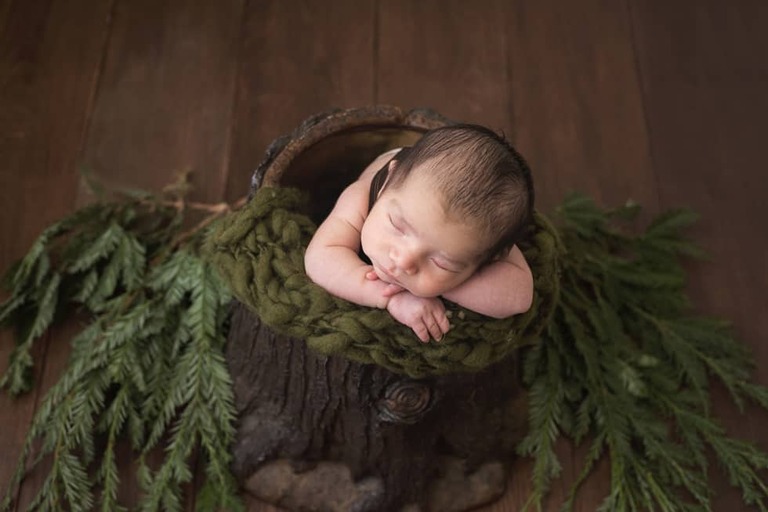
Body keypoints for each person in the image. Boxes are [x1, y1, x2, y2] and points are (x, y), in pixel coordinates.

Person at [304, 123, 535, 343]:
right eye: (397, 226)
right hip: (415, 169)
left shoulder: (479, 232)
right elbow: (320, 257)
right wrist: (391, 297)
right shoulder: (365, 195)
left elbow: (519, 298)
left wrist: (445, 283)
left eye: (441, 262)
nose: (404, 260)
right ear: (386, 182)